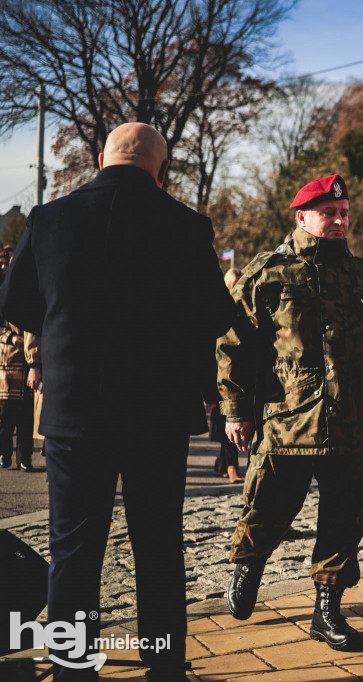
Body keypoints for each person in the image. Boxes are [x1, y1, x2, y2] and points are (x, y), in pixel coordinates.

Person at [0, 122, 234, 680]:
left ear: (100, 158)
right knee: (158, 546)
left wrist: (63, 330)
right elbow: (216, 315)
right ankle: (164, 666)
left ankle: (73, 668)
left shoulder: (50, 218)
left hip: (76, 409)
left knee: (74, 551)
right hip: (157, 411)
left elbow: (13, 300)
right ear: (162, 167)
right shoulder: (186, 226)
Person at [217, 173, 363, 653]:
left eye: (343, 213)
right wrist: (236, 410)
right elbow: (234, 345)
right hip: (287, 423)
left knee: (344, 520)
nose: (338, 220)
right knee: (268, 508)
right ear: (302, 218)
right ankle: (248, 566)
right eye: (328, 213)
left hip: (353, 423)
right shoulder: (268, 273)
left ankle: (327, 610)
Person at [209, 268, 245, 483]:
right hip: (220, 372)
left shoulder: (248, 307)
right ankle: (232, 467)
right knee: (228, 421)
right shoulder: (220, 309)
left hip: (239, 372)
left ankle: (223, 461)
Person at [0, 318, 36, 471]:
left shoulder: (34, 298)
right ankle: (4, 454)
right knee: (5, 419)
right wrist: (10, 337)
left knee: (26, 419)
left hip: (30, 362)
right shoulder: (5, 298)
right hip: (9, 366)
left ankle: (25, 459)